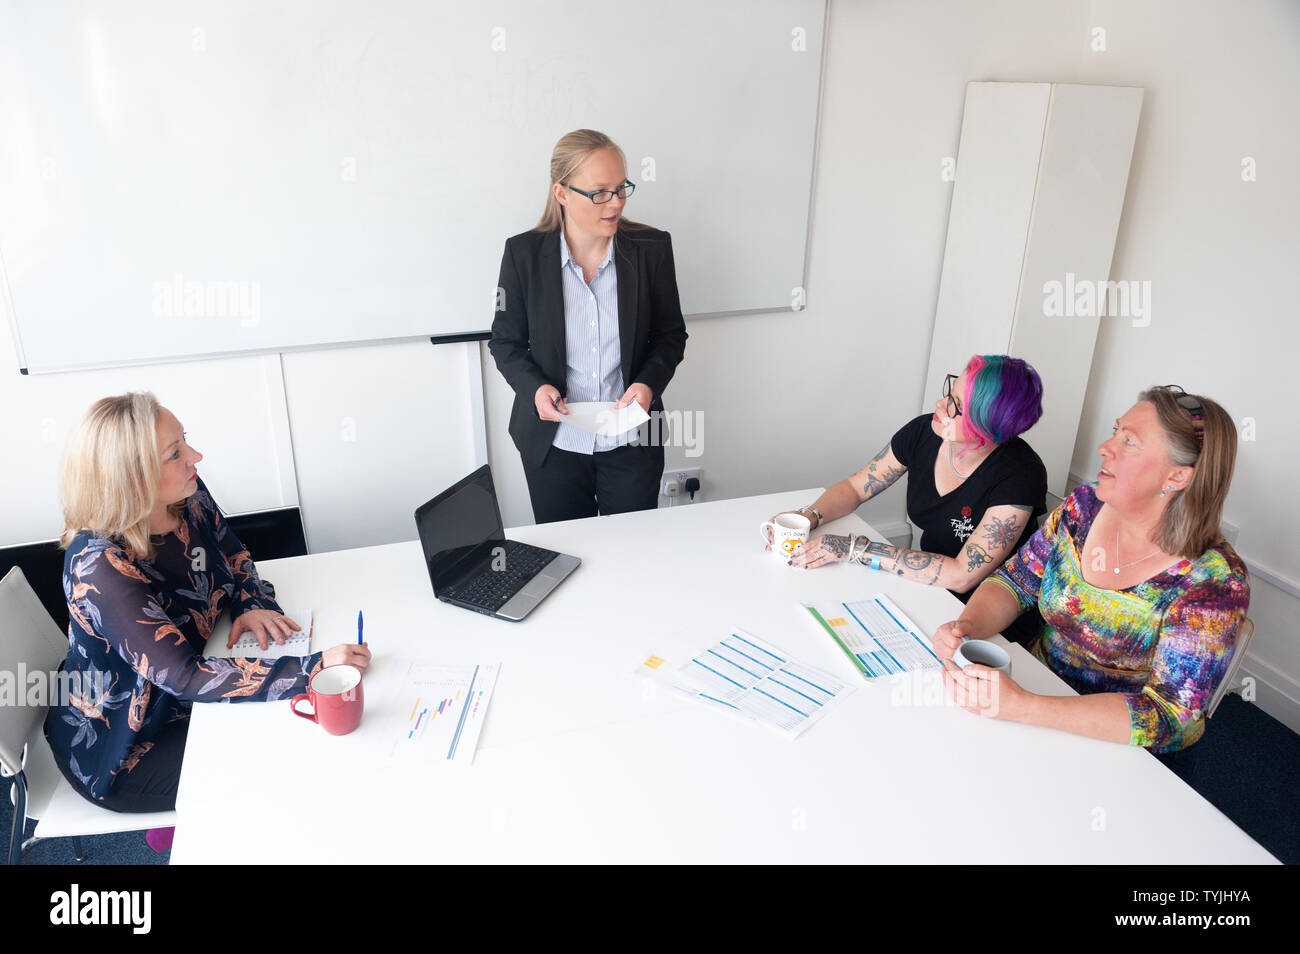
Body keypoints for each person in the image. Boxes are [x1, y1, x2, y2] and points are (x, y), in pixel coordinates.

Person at [44, 393, 371, 815]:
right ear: (133, 477)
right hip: (129, 742)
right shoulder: (100, 566)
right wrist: (316, 668)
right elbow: (183, 677)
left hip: (183, 687)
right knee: (291, 759)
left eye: (186, 441)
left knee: (291, 729)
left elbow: (235, 557)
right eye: (175, 453)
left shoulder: (187, 497)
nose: (196, 456)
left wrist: (250, 603)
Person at [935, 386, 1248, 754]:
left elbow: (1168, 716)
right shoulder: (1083, 508)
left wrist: (1025, 707)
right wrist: (968, 626)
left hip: (1118, 749)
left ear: (1177, 478)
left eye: (1129, 442)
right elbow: (1016, 581)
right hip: (1032, 692)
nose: (1105, 447)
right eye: (1116, 430)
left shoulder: (1214, 583)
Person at [489, 128, 688, 524]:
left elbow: (670, 335)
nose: (614, 203)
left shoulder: (651, 249)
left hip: (632, 441)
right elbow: (505, 342)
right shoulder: (523, 254)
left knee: (632, 555)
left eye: (621, 188)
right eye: (599, 192)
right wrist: (534, 389)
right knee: (567, 558)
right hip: (554, 443)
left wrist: (648, 385)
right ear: (561, 193)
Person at [778, 355, 1049, 640]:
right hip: (925, 589)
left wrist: (852, 550)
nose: (940, 404)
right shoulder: (924, 432)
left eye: (955, 405)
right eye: (949, 393)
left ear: (987, 427)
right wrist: (807, 517)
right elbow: (857, 487)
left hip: (987, 622)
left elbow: (961, 576)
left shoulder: (1020, 475)